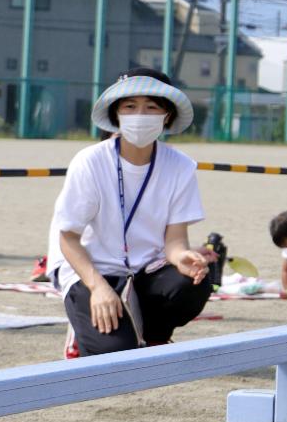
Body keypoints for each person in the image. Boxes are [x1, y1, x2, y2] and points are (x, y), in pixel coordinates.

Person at [49, 69, 215, 355]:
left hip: (143, 270)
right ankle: (84, 331)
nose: (140, 114)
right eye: (130, 106)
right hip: (91, 268)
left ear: (167, 115)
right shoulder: (90, 161)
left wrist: (182, 257)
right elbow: (68, 239)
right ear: (116, 114)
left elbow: (174, 240)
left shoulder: (181, 166)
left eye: (152, 106)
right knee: (113, 356)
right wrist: (98, 288)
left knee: (192, 283)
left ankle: (151, 334)